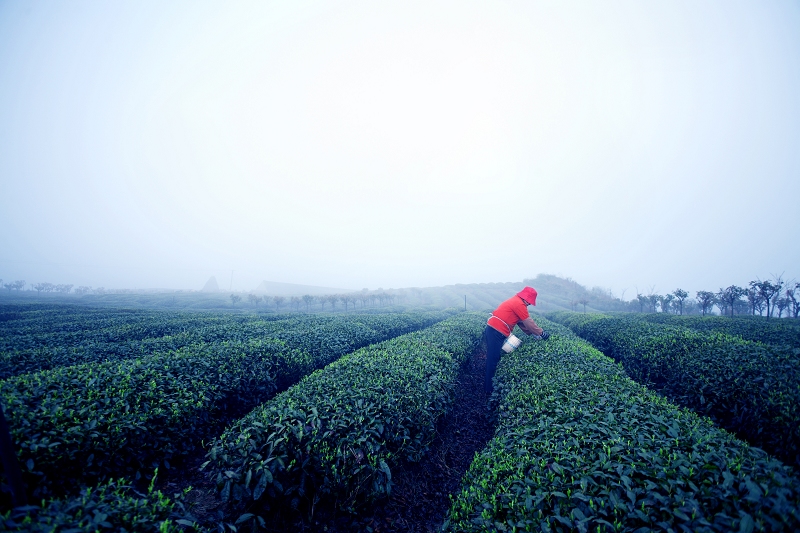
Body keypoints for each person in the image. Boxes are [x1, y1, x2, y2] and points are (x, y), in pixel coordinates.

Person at [484, 286, 549, 393]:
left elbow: (522, 323)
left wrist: (534, 333)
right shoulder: (519, 304)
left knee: (495, 358)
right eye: (529, 302)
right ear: (526, 299)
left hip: (494, 330)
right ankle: (488, 390)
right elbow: (528, 322)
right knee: (493, 360)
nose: (529, 304)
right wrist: (541, 333)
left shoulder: (515, 301)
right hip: (496, 331)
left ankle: (490, 387)